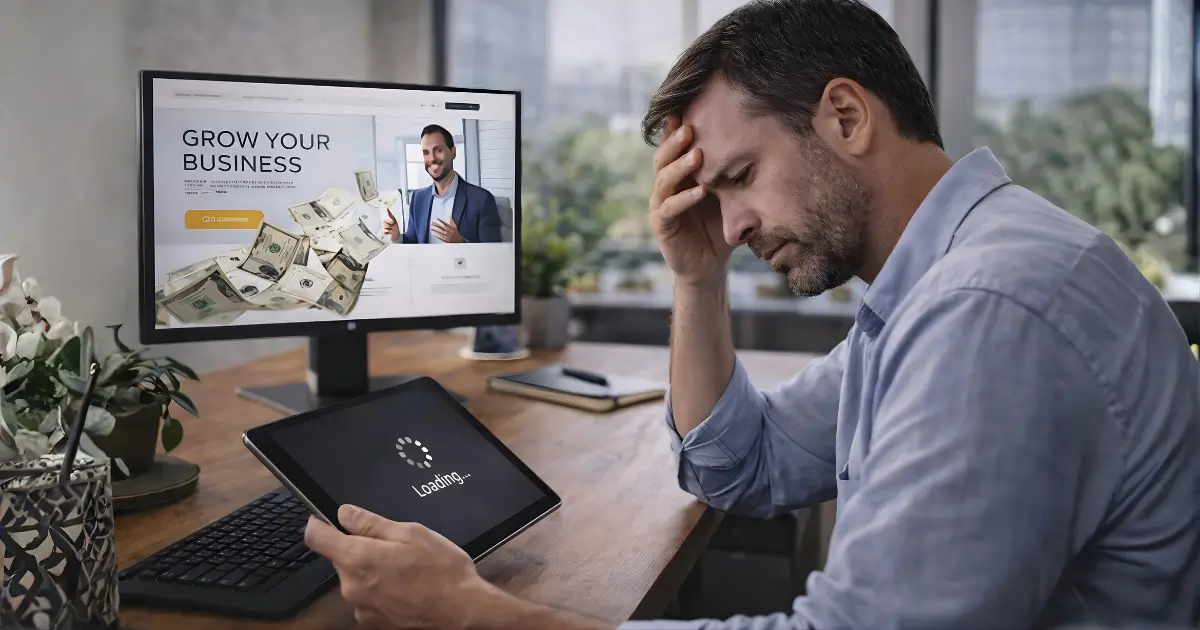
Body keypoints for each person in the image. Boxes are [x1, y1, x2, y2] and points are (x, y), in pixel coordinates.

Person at [304, 0, 1200, 628]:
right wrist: (697, 281)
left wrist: (473, 616)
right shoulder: (939, 285)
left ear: (845, 116)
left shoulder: (988, 312)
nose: (730, 225)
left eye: (737, 178)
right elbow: (740, 467)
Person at [382, 124, 503, 244]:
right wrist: (397, 236)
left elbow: (492, 254)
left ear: (453, 152)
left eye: (438, 150)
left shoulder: (482, 199)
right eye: (426, 152)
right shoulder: (418, 198)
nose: (432, 158)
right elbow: (413, 242)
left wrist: (461, 243)